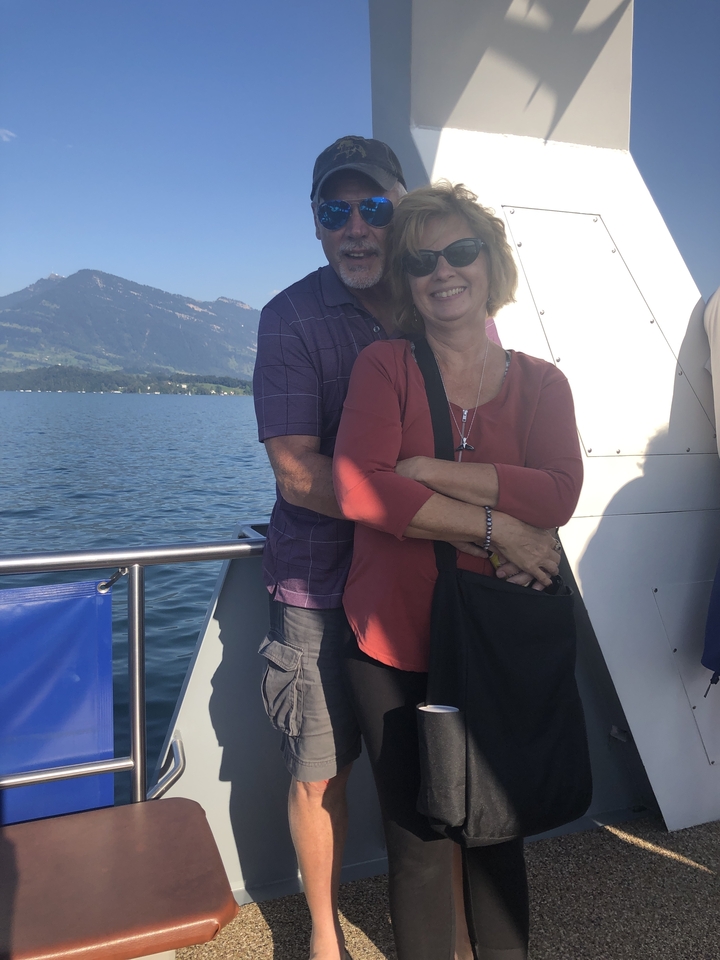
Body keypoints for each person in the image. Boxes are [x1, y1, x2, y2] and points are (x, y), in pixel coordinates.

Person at [333, 181, 583, 960]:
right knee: (417, 840)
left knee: (495, 829)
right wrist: (500, 526)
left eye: (461, 251)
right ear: (405, 282)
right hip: (393, 641)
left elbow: (563, 490)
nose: (443, 271)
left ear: (491, 263)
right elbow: (356, 484)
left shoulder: (543, 382)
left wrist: (424, 468)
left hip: (493, 639)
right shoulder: (385, 365)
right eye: (420, 260)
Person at [252, 135, 407, 960]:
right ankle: (320, 937)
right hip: (316, 589)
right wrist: (422, 510)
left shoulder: (439, 302)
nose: (354, 227)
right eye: (333, 210)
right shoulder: (290, 318)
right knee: (320, 770)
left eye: (372, 206)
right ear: (316, 225)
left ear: (399, 213)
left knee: (426, 763)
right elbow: (293, 474)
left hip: (413, 585)